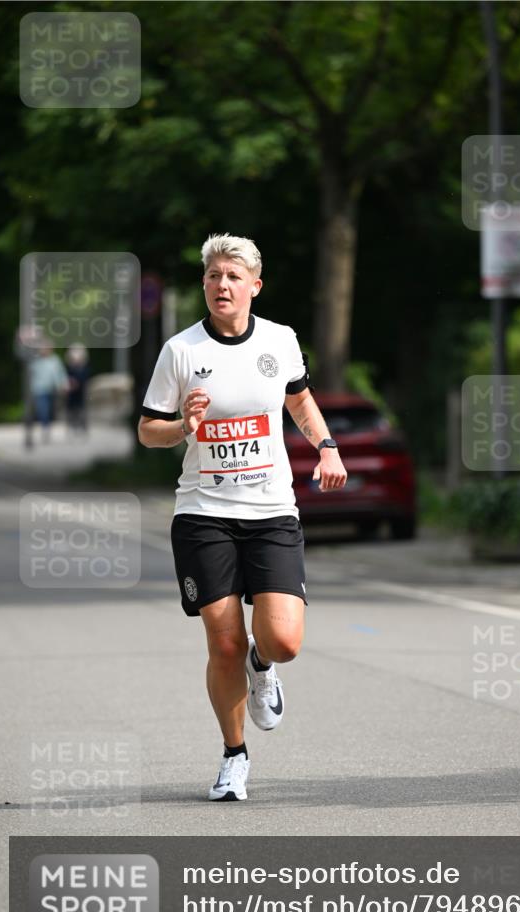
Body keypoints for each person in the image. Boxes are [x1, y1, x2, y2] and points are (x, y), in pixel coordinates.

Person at [138, 233, 347, 801]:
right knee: (222, 641)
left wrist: (326, 446)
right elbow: (147, 430)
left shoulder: (279, 341)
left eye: (232, 276)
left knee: (283, 641)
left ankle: (264, 664)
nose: (221, 285)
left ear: (254, 286)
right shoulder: (181, 352)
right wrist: (184, 425)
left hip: (272, 509)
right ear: (204, 285)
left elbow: (299, 399)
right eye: (213, 277)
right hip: (204, 513)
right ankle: (234, 758)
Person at [25, 340, 69, 446]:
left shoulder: (55, 360)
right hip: (39, 390)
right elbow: (30, 373)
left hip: (52, 389)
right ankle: (45, 428)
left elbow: (60, 374)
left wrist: (64, 384)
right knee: (42, 409)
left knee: (49, 410)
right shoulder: (36, 361)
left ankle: (46, 426)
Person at [64, 343, 91, 435]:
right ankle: (72, 427)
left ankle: (82, 427)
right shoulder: (69, 369)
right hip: (71, 394)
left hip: (81, 394)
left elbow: (85, 380)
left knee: (82, 410)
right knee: (71, 410)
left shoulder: (84, 369)